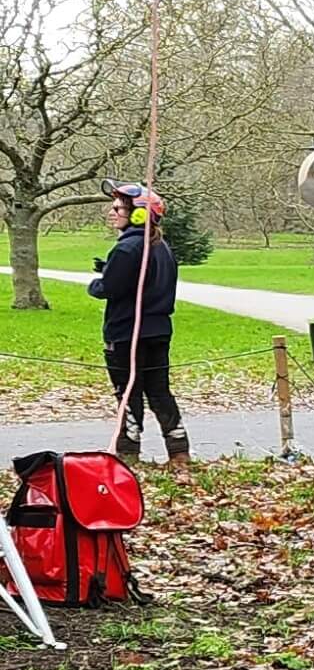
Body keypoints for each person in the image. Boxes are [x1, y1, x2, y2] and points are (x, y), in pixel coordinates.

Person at [89, 184, 188, 471]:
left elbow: (110, 288)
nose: (112, 212)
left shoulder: (128, 247)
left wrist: (96, 283)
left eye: (118, 208)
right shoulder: (162, 247)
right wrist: (110, 267)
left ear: (138, 216)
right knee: (159, 391)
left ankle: (128, 452)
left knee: (127, 391)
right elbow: (143, 281)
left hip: (127, 332)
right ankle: (179, 449)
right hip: (158, 330)